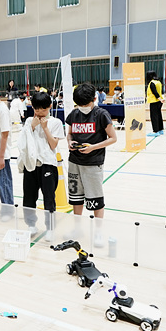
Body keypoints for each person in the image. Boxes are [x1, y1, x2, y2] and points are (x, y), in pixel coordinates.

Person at [65, 83, 117, 235]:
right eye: (79, 104)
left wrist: (93, 147)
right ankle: (77, 228)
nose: (82, 107)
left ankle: (98, 232)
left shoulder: (101, 114)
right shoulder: (74, 114)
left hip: (93, 163)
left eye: (85, 104)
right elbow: (69, 134)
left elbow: (113, 138)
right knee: (75, 197)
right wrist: (69, 142)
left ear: (94, 99)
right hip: (74, 162)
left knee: (95, 199)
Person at [17, 92, 64, 237]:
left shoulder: (55, 122)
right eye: (36, 109)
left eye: (43, 109)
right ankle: (31, 225)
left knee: (49, 197)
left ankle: (50, 228)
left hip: (48, 164)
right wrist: (31, 126)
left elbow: (53, 145)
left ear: (49, 106)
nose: (39, 112)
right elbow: (22, 142)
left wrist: (45, 128)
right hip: (31, 164)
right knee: (29, 196)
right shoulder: (29, 121)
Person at [146, 71, 165, 136]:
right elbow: (161, 91)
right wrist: (161, 99)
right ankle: (160, 130)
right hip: (159, 102)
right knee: (159, 115)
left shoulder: (152, 83)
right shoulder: (158, 82)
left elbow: (155, 92)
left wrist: (160, 99)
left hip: (154, 101)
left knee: (154, 116)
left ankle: (155, 131)